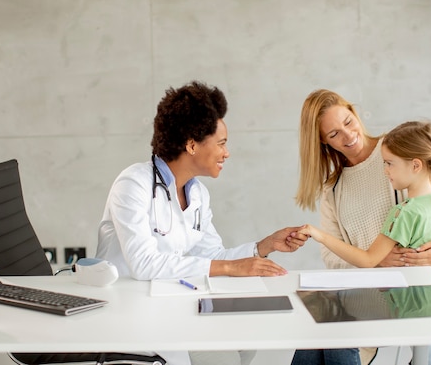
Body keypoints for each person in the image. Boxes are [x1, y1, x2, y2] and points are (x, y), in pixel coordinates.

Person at [95, 81, 309, 365]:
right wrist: (231, 267)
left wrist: (263, 247)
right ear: (192, 144)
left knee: (246, 343)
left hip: (167, 305)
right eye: (221, 143)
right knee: (223, 357)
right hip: (128, 312)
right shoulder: (133, 184)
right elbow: (144, 264)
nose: (227, 153)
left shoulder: (197, 194)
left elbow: (213, 257)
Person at [292, 90, 431, 365]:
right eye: (334, 134)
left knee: (332, 331)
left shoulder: (399, 151)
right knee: (315, 333)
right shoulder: (333, 189)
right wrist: (375, 263)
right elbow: (331, 258)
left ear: (355, 112)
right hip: (366, 295)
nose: (348, 135)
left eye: (348, 122)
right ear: (321, 141)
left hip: (410, 296)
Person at [300, 120, 431, 286]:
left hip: (413, 306)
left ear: (416, 165)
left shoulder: (402, 212)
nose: (385, 170)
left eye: (389, 163)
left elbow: (367, 260)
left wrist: (320, 235)